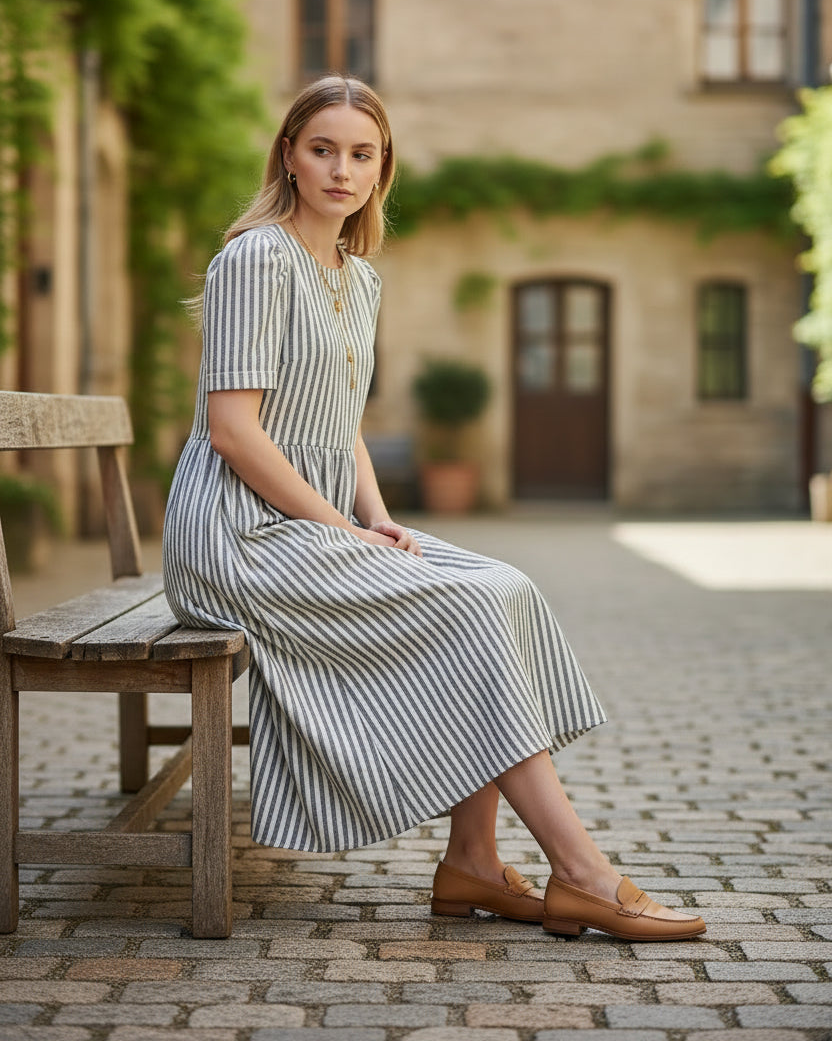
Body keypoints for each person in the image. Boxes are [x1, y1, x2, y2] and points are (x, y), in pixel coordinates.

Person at [163, 75, 705, 942]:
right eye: (323, 149)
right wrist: (341, 531)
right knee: (467, 606)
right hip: (235, 535)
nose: (342, 169)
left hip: (316, 524)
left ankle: (474, 865)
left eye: (362, 154)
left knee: (503, 584)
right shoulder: (255, 259)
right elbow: (234, 433)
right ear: (290, 158)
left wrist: (377, 518)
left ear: (383, 170)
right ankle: (582, 873)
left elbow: (340, 425)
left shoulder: (358, 279)